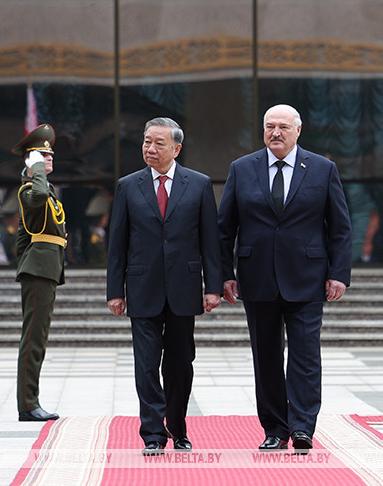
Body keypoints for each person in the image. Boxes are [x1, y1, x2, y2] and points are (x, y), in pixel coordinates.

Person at [218, 104, 351, 454]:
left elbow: (340, 227)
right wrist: (223, 276)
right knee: (266, 358)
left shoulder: (322, 169)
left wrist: (339, 274)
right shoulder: (242, 168)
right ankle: (275, 429)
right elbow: (224, 229)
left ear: (298, 130)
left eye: (283, 127)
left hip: (307, 278)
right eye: (269, 126)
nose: (275, 133)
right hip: (256, 277)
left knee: (305, 357)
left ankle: (303, 427)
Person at [106, 117, 222, 455]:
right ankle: (153, 433)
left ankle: (178, 427)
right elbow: (117, 243)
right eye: (147, 141)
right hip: (142, 287)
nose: (151, 148)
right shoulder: (128, 186)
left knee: (180, 364)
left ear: (176, 148)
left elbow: (210, 241)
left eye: (159, 143)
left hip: (184, 288)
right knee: (146, 364)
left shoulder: (199, 184)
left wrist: (213, 286)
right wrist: (115, 291)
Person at [13, 124, 65, 422]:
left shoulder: (47, 191)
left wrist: (25, 262)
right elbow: (39, 195)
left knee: (39, 337)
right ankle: (28, 404)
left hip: (44, 268)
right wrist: (36, 172)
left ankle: (30, 401)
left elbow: (23, 236)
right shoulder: (29, 190)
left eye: (50, 155)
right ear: (30, 161)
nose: (49, 159)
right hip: (39, 270)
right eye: (42, 155)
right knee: (32, 338)